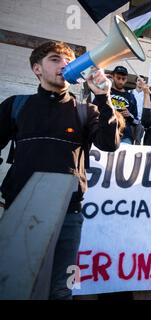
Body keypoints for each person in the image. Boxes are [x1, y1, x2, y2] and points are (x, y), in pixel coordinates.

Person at [0, 41, 120, 299]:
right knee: (15, 287)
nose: (64, 64)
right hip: (21, 211)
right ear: (37, 69)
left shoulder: (86, 111)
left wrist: (103, 96)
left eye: (68, 60)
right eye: (55, 59)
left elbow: (110, 144)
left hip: (68, 216)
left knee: (60, 290)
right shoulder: (16, 105)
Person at [110, 66, 139, 144]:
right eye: (118, 78)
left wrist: (129, 115)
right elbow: (94, 110)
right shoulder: (105, 92)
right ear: (112, 76)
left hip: (125, 136)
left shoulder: (131, 97)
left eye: (123, 79)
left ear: (126, 79)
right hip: (105, 133)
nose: (120, 81)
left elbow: (136, 121)